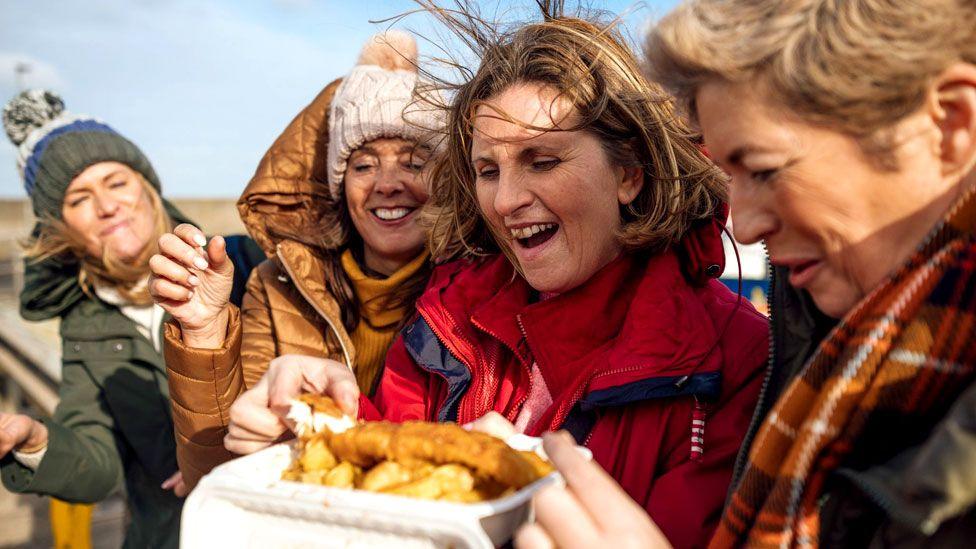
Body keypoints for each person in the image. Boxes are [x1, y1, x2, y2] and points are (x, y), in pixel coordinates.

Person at [232, 5, 770, 546]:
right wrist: (316, 430)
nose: (507, 200)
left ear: (628, 175)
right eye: (488, 170)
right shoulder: (445, 322)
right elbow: (386, 483)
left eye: (542, 161)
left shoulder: (734, 360)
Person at [517, 0, 976, 547]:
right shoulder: (836, 342)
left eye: (763, 169)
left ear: (949, 126)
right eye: (730, 174)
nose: (748, 226)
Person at [148, 30, 443, 490]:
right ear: (339, 187)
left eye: (414, 162)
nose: (387, 183)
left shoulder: (479, 294)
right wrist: (204, 333)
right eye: (363, 165)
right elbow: (220, 468)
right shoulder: (276, 286)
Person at [0, 90, 262, 548]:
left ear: (147, 186)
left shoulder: (242, 265)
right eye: (79, 198)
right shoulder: (83, 324)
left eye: (116, 182)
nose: (106, 205)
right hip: (168, 535)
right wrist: (35, 440)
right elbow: (98, 466)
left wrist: (209, 452)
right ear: (58, 225)